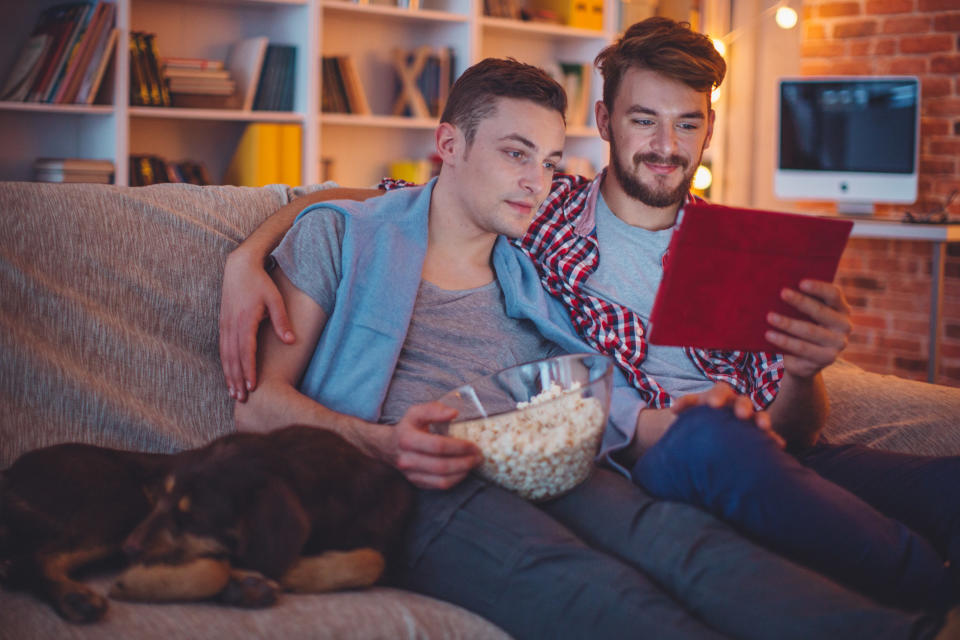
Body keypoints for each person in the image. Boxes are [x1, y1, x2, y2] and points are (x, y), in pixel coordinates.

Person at [222, 56, 956, 639]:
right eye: (516, 153)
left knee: (689, 547)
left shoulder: (535, 264)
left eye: (546, 160)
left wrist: (791, 375)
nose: (536, 180)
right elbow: (262, 395)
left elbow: (605, 386)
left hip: (564, 457)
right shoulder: (376, 233)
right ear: (449, 145)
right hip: (427, 476)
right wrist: (246, 256)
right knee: (601, 588)